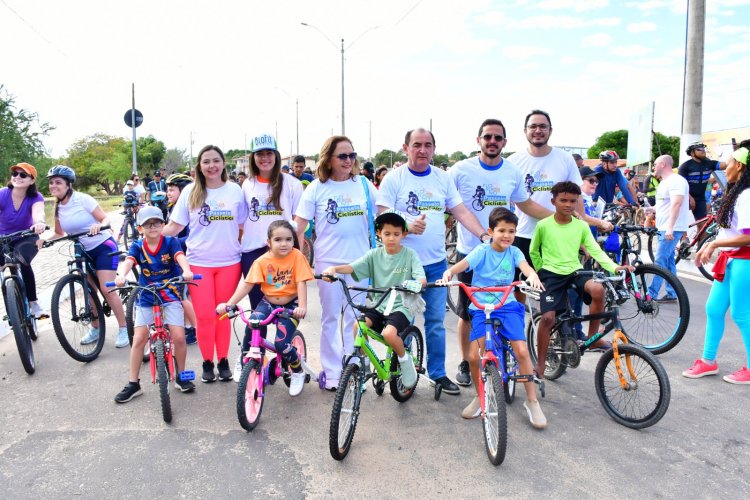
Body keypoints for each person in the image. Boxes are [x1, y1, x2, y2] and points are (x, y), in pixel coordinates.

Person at [377, 128, 494, 395]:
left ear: (434, 148)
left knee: (435, 323)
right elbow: (382, 215)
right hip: (401, 264)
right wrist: (405, 225)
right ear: (405, 148)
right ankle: (399, 369)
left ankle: (438, 374)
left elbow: (460, 210)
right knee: (399, 321)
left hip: (436, 264)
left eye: (427, 145)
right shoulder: (394, 179)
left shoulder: (442, 178)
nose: (422, 150)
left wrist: (483, 234)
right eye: (416, 145)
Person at [448, 119, 551, 387]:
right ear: (478, 140)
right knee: (467, 314)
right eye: (487, 137)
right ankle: (465, 360)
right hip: (470, 253)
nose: (492, 142)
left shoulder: (512, 172)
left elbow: (526, 204)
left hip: (502, 255)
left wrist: (558, 218)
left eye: (498, 138)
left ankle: (501, 355)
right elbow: (449, 204)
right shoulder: (461, 169)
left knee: (503, 306)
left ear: (505, 142)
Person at [439, 207, 547, 427]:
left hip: (506, 304)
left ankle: (532, 401)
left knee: (522, 351)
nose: (507, 235)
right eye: (502, 230)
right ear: (491, 231)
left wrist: (533, 275)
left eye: (512, 231)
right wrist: (449, 273)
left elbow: (525, 267)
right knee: (473, 356)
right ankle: (480, 397)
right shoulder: (482, 250)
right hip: (481, 306)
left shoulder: (515, 252)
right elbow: (463, 265)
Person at [294, 135, 377, 390]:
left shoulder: (364, 184)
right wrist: (298, 260)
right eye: (342, 156)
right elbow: (299, 225)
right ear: (328, 158)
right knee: (330, 318)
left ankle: (353, 371)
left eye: (352, 155)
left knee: (356, 319)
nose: (348, 160)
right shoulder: (317, 187)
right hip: (328, 263)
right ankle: (331, 374)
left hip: (360, 263)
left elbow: (384, 215)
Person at [162, 145, 248, 383]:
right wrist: (151, 240)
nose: (212, 166)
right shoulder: (191, 191)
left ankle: (223, 361)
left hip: (230, 263)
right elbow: (174, 227)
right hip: (198, 264)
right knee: (204, 316)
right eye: (206, 161)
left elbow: (243, 226)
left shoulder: (235, 191)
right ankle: (207, 361)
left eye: (216, 161)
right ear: (199, 166)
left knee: (222, 315)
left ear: (223, 163)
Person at [530, 181, 633, 378]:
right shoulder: (544, 225)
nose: (568, 205)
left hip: (575, 271)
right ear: (553, 201)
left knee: (598, 290)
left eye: (572, 201)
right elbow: (534, 251)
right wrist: (540, 271)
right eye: (563, 200)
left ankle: (593, 338)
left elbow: (594, 249)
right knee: (548, 318)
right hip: (550, 274)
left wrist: (614, 266)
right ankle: (541, 364)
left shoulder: (580, 226)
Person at [321, 210, 426, 389]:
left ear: (404, 234)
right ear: (379, 233)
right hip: (379, 304)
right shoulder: (374, 255)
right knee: (358, 327)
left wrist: (416, 284)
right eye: (387, 234)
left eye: (396, 234)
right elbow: (352, 267)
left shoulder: (410, 255)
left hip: (401, 305)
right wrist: (333, 269)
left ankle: (405, 360)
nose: (391, 238)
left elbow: (421, 279)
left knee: (388, 334)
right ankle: (366, 363)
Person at [508, 111, 612, 293]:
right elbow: (519, 203)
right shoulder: (513, 162)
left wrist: (582, 238)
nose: (538, 130)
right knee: (521, 290)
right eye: (533, 126)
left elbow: (577, 198)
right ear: (525, 130)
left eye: (543, 126)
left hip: (561, 238)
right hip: (524, 235)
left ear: (550, 130)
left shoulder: (564, 159)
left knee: (560, 294)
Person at [217, 220, 313, 396]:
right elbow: (246, 285)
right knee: (253, 322)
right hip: (268, 302)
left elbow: (301, 283)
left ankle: (298, 371)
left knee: (281, 343)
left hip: (291, 303)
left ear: (293, 241)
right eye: (278, 239)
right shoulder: (262, 261)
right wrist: (229, 303)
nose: (283, 244)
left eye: (288, 239)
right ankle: (245, 360)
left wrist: (302, 307)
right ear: (268, 242)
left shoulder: (297, 256)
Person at [237, 134, 303, 380]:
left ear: (276, 155)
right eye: (259, 154)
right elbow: (242, 221)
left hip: (284, 253)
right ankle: (250, 359)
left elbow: (299, 222)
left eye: (269, 153)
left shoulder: (292, 183)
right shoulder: (248, 184)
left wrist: (299, 250)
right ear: (253, 158)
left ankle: (284, 357)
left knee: (284, 310)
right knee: (257, 312)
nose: (264, 158)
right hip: (254, 253)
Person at [683, 142, 750, 384]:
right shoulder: (738, 192)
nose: (726, 167)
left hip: (745, 261)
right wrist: (708, 245)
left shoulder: (747, 195)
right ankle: (708, 361)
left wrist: (713, 245)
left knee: (743, 315)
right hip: (731, 259)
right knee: (714, 309)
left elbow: (749, 236)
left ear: (739, 166)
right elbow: (729, 233)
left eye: (730, 163)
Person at [113, 206, 195, 403]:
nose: (153, 226)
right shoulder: (138, 245)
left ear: (163, 225)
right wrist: (121, 275)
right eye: (147, 224)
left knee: (179, 337)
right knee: (139, 338)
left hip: (170, 293)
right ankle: (133, 383)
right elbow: (128, 262)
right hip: (147, 295)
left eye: (156, 222)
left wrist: (186, 270)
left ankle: (181, 375)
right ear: (140, 228)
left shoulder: (170, 242)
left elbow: (180, 257)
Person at [44, 166, 129, 347]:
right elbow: (58, 232)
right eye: (51, 183)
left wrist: (99, 225)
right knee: (88, 290)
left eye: (58, 182)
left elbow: (105, 218)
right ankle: (95, 328)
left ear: (68, 184)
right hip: (81, 250)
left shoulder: (82, 199)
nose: (53, 186)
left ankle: (124, 328)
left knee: (107, 289)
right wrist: (43, 240)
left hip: (102, 246)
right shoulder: (58, 207)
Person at [0, 163, 47, 317]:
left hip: (25, 236)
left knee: (23, 261)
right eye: (15, 174)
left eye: (23, 175)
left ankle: (33, 304)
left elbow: (38, 213)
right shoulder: (2, 194)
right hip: (3, 238)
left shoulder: (35, 197)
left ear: (31, 180)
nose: (17, 177)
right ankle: (10, 305)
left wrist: (39, 223)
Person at [646, 155, 691, 302]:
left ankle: (651, 294)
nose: (654, 167)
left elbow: (677, 204)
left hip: (671, 227)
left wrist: (670, 228)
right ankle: (672, 293)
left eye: (655, 164)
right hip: (665, 226)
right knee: (668, 260)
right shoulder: (665, 182)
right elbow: (665, 204)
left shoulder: (676, 181)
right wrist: (652, 209)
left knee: (660, 261)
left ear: (663, 164)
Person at [568, 166, 605, 341]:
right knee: (574, 292)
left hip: (587, 250)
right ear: (579, 180)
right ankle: (570, 332)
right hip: (577, 250)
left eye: (596, 181)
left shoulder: (589, 199)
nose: (594, 184)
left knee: (582, 294)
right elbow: (581, 219)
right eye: (590, 180)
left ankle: (578, 330)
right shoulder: (576, 199)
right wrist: (600, 222)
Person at [165, 172, 197, 345]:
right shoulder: (172, 207)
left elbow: (191, 236)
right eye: (167, 190)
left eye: (171, 190)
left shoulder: (191, 208)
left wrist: (173, 242)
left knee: (183, 295)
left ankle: (193, 328)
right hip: (174, 257)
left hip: (186, 257)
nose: (168, 193)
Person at [678, 142, 727, 221]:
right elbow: (679, 185)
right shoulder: (685, 166)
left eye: (703, 148)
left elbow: (725, 165)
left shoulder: (709, 163)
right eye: (699, 149)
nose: (703, 150)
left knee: (702, 225)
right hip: (684, 197)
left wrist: (736, 154)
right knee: (680, 226)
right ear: (692, 153)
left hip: (700, 198)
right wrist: (689, 198)